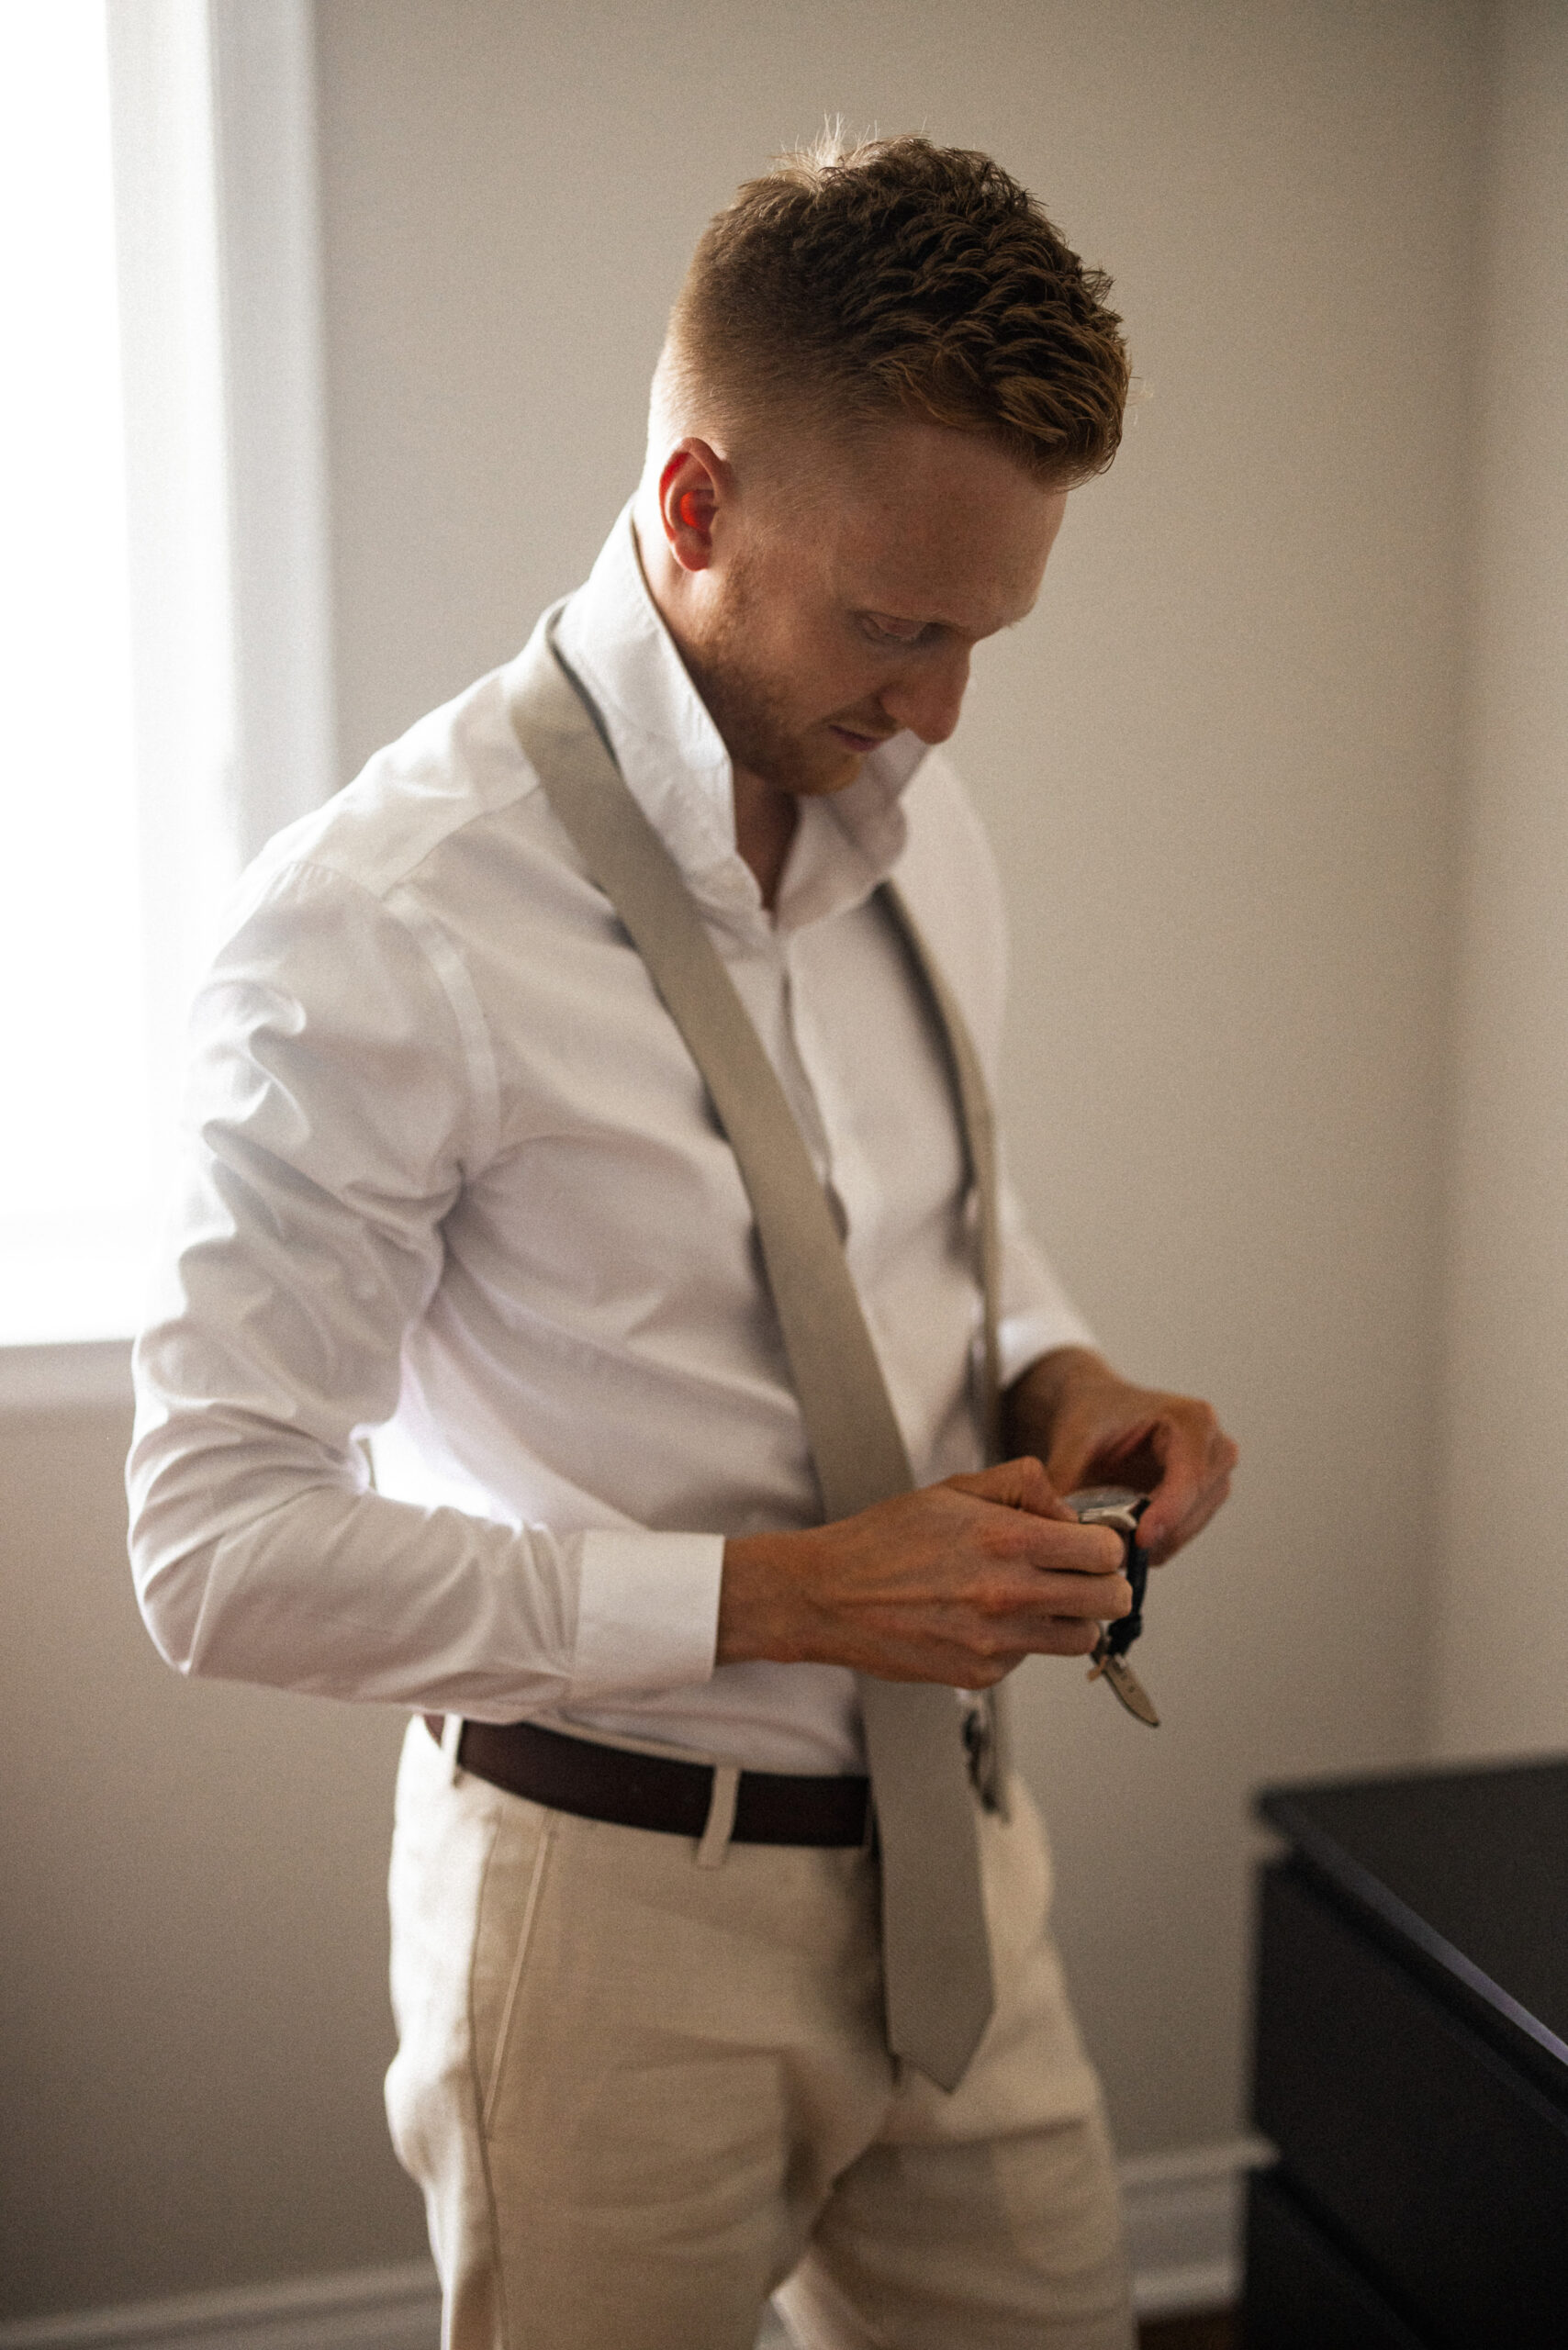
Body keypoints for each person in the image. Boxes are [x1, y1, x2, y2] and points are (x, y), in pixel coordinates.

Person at [129, 133, 1236, 2350]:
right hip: (605, 1917)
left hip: (962, 1877)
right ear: (697, 506)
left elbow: (922, 1233)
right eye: (897, 623)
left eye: (981, 631)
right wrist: (788, 1593)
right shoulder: (376, 920)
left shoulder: (912, 813)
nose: (936, 709)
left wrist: (1055, 1369)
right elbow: (213, 1545)